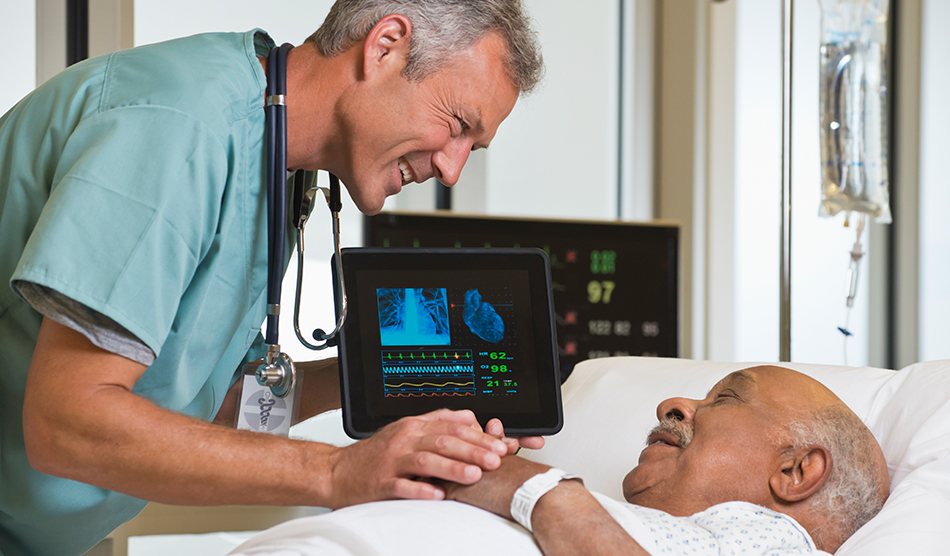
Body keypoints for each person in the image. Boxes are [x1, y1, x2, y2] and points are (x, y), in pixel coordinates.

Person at [0, 1, 543, 554]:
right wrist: (338, 472)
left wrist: (385, 386)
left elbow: (205, 397)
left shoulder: (278, 157)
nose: (452, 169)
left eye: (471, 149)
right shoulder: (179, 127)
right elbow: (65, 422)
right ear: (385, 46)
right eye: (457, 126)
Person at [441, 365, 890, 555]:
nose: (671, 405)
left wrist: (481, 471)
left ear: (795, 472)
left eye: (726, 399)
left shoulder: (778, 542)